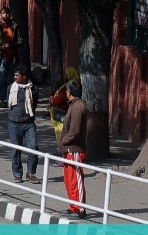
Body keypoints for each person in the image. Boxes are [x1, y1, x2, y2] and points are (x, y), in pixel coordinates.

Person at [7, 65, 41, 185]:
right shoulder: (11, 88)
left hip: (29, 124)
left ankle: (31, 173)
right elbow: (9, 103)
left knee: (33, 147)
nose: (15, 77)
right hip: (14, 124)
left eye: (17, 75)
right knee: (15, 150)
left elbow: (34, 104)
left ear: (25, 77)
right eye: (14, 75)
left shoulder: (34, 89)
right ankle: (17, 174)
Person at [0, 6, 28, 105]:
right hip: (1, 57)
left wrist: (12, 44)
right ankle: (3, 99)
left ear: (9, 14)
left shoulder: (15, 26)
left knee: (10, 80)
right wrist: (0, 47)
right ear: (0, 15)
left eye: (7, 13)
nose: (5, 15)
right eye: (3, 13)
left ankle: (10, 99)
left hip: (12, 57)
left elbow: (21, 41)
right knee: (2, 80)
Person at [60, 80, 87, 219]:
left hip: (75, 149)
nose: (66, 92)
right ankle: (73, 206)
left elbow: (75, 131)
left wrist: (63, 140)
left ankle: (80, 209)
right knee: (69, 179)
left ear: (70, 92)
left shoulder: (77, 107)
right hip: (70, 149)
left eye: (67, 90)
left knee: (76, 179)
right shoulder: (74, 105)